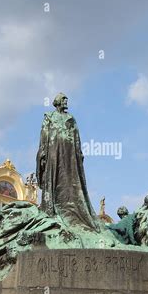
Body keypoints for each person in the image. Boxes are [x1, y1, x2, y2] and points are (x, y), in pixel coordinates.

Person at [36, 93, 100, 232]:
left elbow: (76, 137)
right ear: (58, 101)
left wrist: (79, 152)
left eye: (66, 99)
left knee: (71, 179)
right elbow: (44, 135)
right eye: (64, 99)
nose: (66, 101)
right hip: (53, 150)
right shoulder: (49, 117)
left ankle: (71, 209)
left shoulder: (71, 119)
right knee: (54, 177)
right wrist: (43, 151)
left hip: (69, 153)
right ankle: (52, 208)